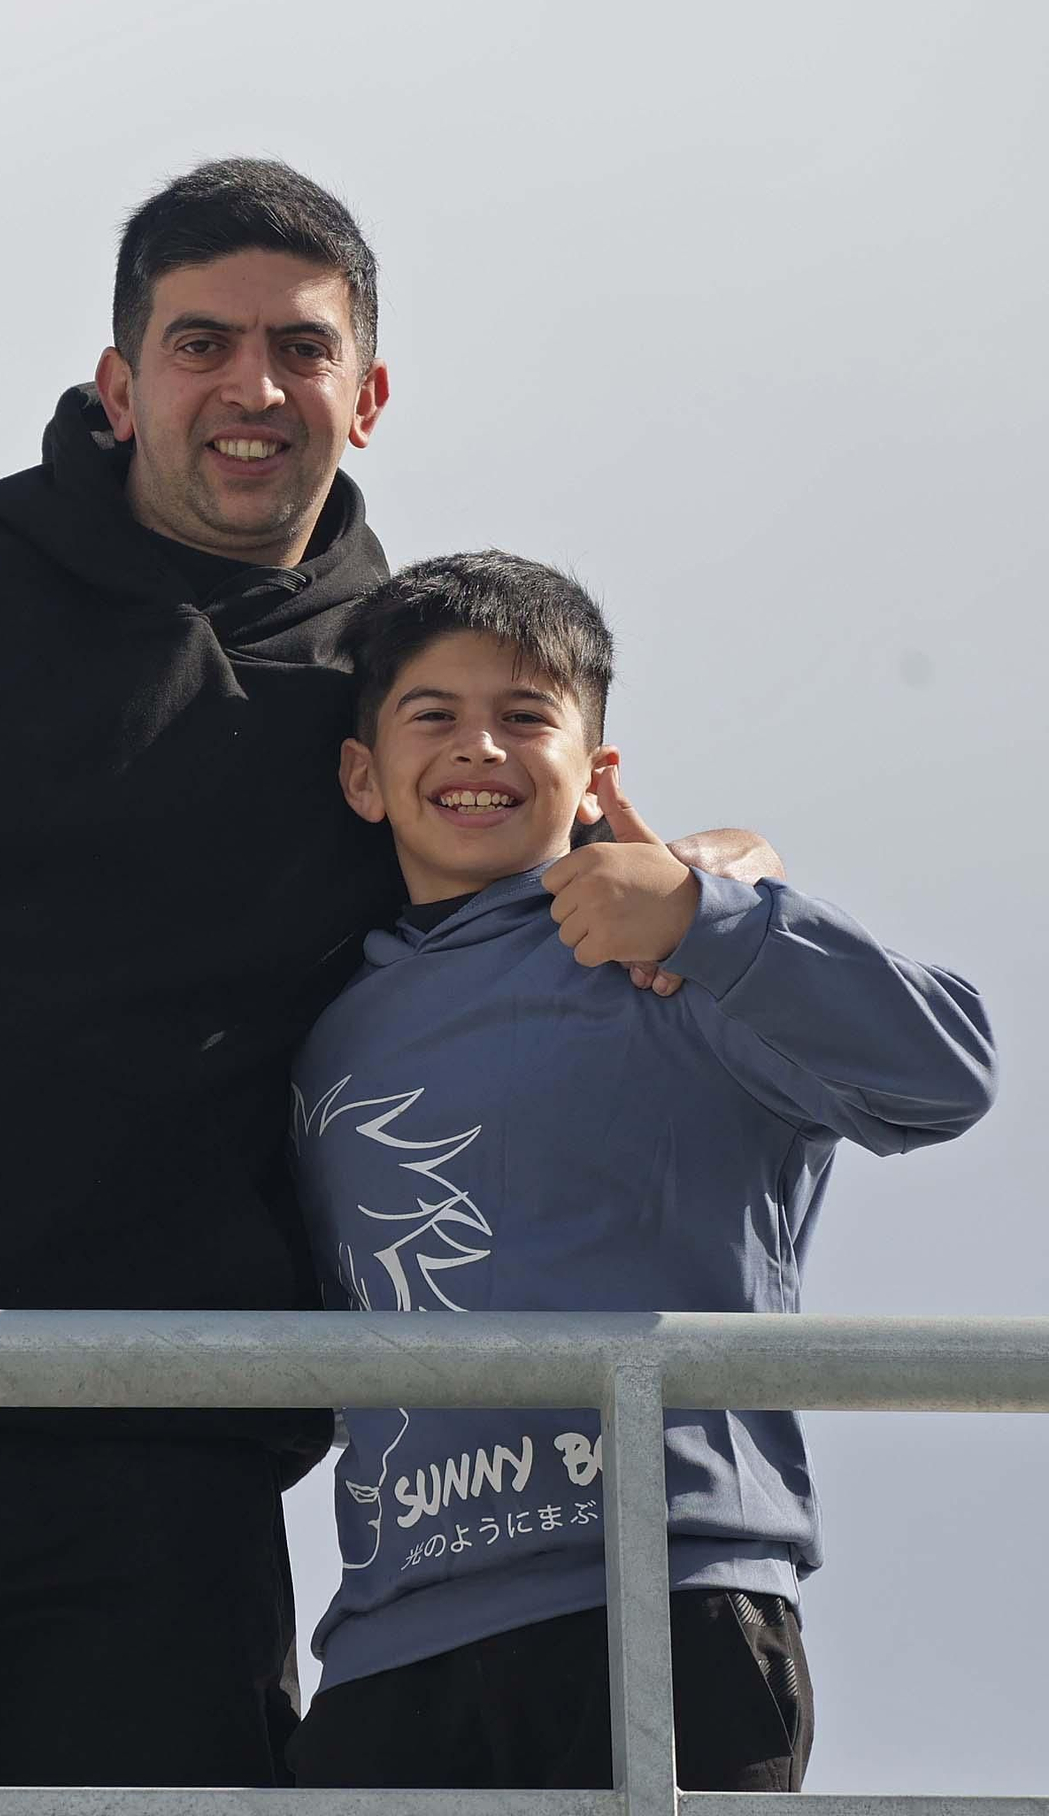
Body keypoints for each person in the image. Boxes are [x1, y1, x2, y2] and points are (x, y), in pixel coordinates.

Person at [0, 161, 779, 1787]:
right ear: (121, 383)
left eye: (299, 347)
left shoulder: (389, 695)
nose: (252, 387)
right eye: (200, 343)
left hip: (164, 1472)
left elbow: (560, 851)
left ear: (370, 392)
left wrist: (722, 871)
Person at [287, 550, 996, 1794]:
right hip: (390, 1640)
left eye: (525, 715)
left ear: (592, 768)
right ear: (361, 773)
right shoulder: (319, 1021)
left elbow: (946, 1072)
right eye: (433, 716)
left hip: (661, 1594)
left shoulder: (672, 952)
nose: (479, 749)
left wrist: (703, 915)